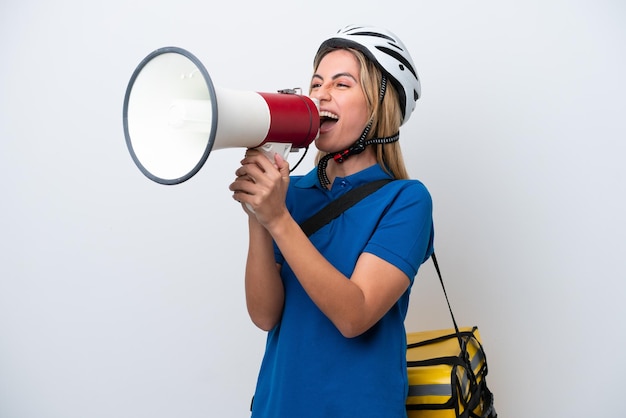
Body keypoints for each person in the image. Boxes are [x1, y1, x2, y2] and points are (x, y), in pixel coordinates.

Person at [229, 24, 434, 418]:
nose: (320, 94)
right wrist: (259, 214)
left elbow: (354, 315)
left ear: (380, 104)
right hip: (278, 407)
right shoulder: (290, 192)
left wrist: (278, 218)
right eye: (316, 82)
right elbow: (265, 314)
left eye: (341, 85)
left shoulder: (406, 201)